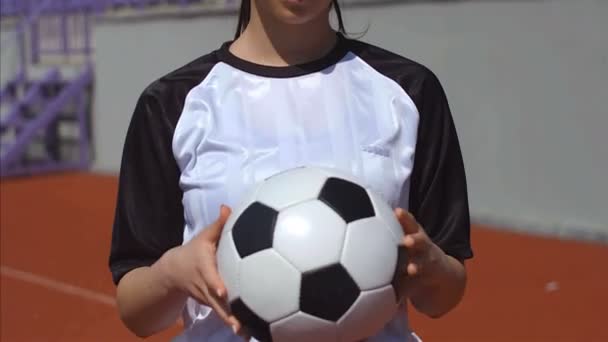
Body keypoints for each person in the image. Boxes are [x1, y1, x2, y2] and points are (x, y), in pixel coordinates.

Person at [108, 0, 473, 341]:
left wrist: (433, 266)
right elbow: (137, 313)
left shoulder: (409, 92)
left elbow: (441, 298)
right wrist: (173, 272)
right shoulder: (174, 103)